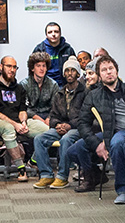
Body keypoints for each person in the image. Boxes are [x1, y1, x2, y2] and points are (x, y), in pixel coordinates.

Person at [74, 55, 125, 195]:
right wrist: (97, 144)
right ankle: (96, 176)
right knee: (75, 148)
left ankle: (123, 190)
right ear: (99, 76)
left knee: (117, 143)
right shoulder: (94, 95)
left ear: (116, 71)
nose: (108, 72)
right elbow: (82, 123)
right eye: (104, 70)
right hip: (111, 130)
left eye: (111, 68)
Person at [0, 55, 49, 181]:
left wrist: (23, 122)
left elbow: (22, 109)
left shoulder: (19, 88)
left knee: (48, 131)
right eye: (9, 66)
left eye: (14, 67)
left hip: (19, 122)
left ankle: (33, 162)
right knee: (8, 128)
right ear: (1, 67)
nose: (12, 70)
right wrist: (15, 125)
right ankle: (21, 169)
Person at [31, 57, 87, 190]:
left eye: (73, 70)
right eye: (67, 70)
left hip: (78, 127)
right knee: (39, 139)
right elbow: (53, 114)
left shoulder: (85, 92)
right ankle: (46, 175)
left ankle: (62, 177)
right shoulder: (60, 93)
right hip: (61, 127)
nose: (69, 73)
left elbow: (85, 116)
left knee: (66, 139)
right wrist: (57, 125)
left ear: (78, 74)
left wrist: (69, 125)